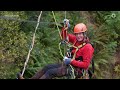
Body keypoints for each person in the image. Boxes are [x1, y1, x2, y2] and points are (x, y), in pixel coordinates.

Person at [17, 19, 94, 79]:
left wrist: (71, 61)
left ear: (84, 34)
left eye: (80, 34)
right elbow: (64, 36)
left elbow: (85, 65)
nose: (78, 36)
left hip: (77, 71)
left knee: (50, 72)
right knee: (47, 67)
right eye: (77, 34)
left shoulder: (88, 47)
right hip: (69, 65)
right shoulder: (76, 40)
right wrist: (65, 27)